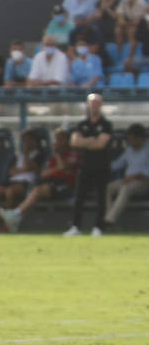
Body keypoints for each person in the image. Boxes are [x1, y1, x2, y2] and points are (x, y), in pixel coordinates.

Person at [0, 128, 78, 232]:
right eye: (57, 139)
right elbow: (44, 173)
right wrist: (57, 167)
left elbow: (63, 166)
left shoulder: (73, 155)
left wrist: (57, 158)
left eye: (61, 139)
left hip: (65, 185)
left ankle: (15, 214)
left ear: (68, 140)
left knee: (38, 190)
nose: (57, 142)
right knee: (36, 189)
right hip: (51, 183)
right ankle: (14, 218)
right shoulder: (52, 158)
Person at [64, 92, 112, 237]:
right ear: (87, 104)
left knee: (100, 198)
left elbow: (101, 144)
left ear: (101, 105)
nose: (94, 105)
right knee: (79, 197)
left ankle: (98, 227)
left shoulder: (106, 124)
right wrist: (92, 140)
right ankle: (76, 227)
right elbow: (74, 142)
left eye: (97, 102)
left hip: (101, 166)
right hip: (85, 166)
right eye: (91, 102)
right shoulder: (81, 124)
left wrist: (85, 141)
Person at [0, 128, 45, 220]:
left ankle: (10, 219)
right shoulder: (18, 155)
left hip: (25, 184)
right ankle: (3, 216)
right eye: (24, 140)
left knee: (10, 192)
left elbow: (32, 167)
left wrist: (26, 157)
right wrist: (23, 169)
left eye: (28, 139)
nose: (26, 142)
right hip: (11, 182)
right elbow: (10, 171)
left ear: (34, 141)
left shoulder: (39, 154)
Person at [103, 122, 148, 231]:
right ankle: (108, 218)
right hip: (127, 180)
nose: (130, 141)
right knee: (107, 188)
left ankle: (109, 220)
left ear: (140, 138)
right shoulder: (129, 150)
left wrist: (136, 175)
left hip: (144, 182)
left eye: (132, 138)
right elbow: (117, 164)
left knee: (125, 188)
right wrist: (102, 166)